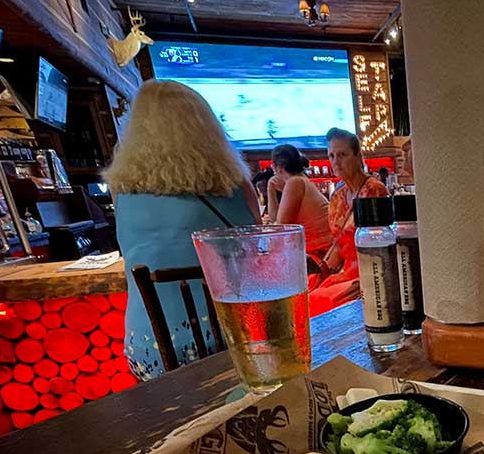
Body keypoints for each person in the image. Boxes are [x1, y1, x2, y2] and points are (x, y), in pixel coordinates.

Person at [103, 79, 261, 380]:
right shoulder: (237, 187)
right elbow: (256, 260)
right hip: (230, 342)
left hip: (148, 349)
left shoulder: (120, 190)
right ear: (208, 130)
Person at [310, 127, 389, 313]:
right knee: (306, 294)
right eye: (331, 156)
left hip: (369, 273)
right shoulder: (337, 197)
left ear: (358, 156)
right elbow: (338, 247)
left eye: (342, 155)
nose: (335, 161)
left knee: (317, 301)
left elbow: (381, 244)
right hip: (345, 273)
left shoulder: (373, 190)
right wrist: (321, 271)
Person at [266, 144, 331, 256]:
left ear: (277, 167)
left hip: (316, 253)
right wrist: (270, 189)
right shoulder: (301, 180)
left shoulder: (295, 182)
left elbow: (281, 228)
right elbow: (274, 219)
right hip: (323, 249)